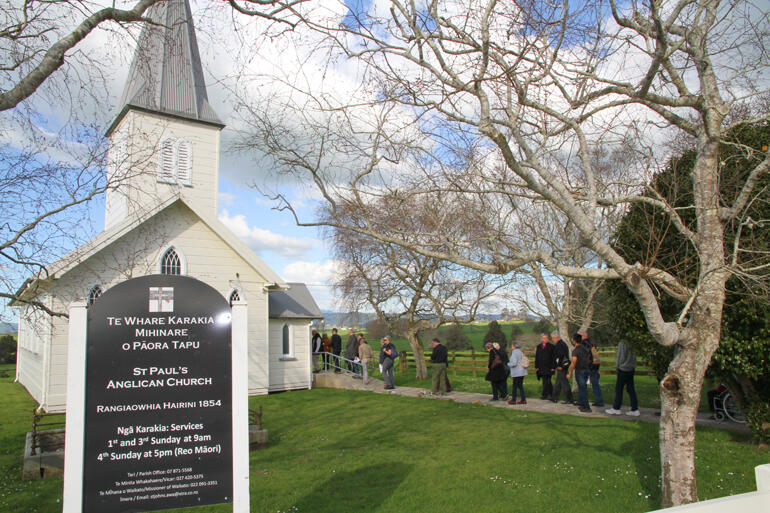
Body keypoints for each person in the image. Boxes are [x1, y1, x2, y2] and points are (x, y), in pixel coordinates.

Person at [605, 340, 640, 416]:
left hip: (623, 368)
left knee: (619, 389)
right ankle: (635, 408)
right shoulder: (633, 342)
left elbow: (620, 356)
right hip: (631, 368)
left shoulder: (622, 342)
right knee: (631, 389)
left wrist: (617, 366)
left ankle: (616, 408)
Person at [567, 332, 592, 412]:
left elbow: (573, 362)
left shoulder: (575, 350)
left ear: (574, 341)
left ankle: (587, 407)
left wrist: (570, 373)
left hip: (580, 370)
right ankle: (581, 403)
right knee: (582, 388)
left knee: (583, 388)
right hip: (587, 369)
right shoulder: (585, 348)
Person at [579, 330, 604, 406]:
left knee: (582, 384)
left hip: (587, 366)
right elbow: (596, 355)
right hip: (595, 366)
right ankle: (599, 401)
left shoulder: (583, 344)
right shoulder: (592, 344)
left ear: (583, 336)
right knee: (595, 384)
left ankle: (581, 401)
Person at [550, 331, 574, 404]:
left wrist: (559, 365)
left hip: (562, 366)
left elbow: (560, 356)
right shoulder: (562, 343)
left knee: (564, 383)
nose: (552, 340)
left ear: (556, 337)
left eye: (553, 338)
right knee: (558, 382)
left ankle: (570, 399)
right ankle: (554, 397)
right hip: (563, 365)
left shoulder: (560, 345)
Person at [534, 333, 555, 400]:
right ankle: (544, 394)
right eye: (544, 338)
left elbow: (553, 358)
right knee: (544, 381)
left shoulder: (551, 346)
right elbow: (537, 357)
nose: (546, 339)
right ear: (541, 339)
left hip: (549, 367)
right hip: (541, 367)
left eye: (546, 338)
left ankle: (550, 394)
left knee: (548, 381)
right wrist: (536, 366)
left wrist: (553, 367)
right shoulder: (539, 346)